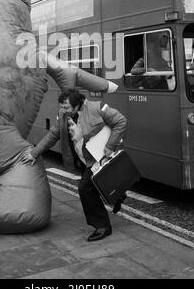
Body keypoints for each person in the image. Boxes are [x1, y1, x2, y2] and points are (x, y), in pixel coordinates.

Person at [20, 88, 127, 242]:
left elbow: (121, 121)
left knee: (85, 188)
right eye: (62, 107)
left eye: (67, 107)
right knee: (99, 183)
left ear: (78, 104)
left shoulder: (97, 108)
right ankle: (119, 195)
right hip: (84, 158)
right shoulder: (64, 115)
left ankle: (103, 226)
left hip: (100, 156)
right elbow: (53, 135)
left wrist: (110, 146)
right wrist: (34, 153)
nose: (63, 110)